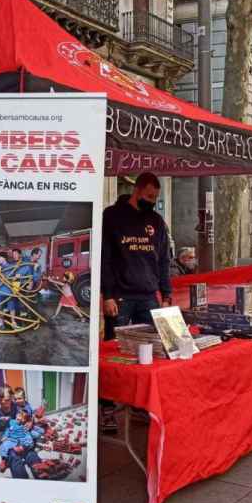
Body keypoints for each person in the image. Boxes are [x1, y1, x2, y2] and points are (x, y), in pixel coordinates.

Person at [100, 173, 172, 433]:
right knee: (112, 353)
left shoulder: (156, 221)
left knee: (148, 353)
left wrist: (166, 295)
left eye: (156, 198)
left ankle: (140, 405)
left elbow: (163, 261)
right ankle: (107, 408)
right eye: (149, 196)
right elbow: (105, 258)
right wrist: (107, 294)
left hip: (147, 296)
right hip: (119, 295)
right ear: (137, 190)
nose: (152, 201)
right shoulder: (112, 216)